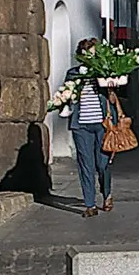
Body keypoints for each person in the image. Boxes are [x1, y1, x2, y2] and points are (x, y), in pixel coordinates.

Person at [52, 40, 118, 216]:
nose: (90, 57)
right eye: (87, 54)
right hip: (81, 125)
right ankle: (90, 204)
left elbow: (112, 100)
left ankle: (107, 193)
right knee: (85, 163)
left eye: (93, 54)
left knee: (103, 164)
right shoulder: (73, 74)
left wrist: (111, 90)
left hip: (102, 124)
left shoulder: (104, 73)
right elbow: (66, 95)